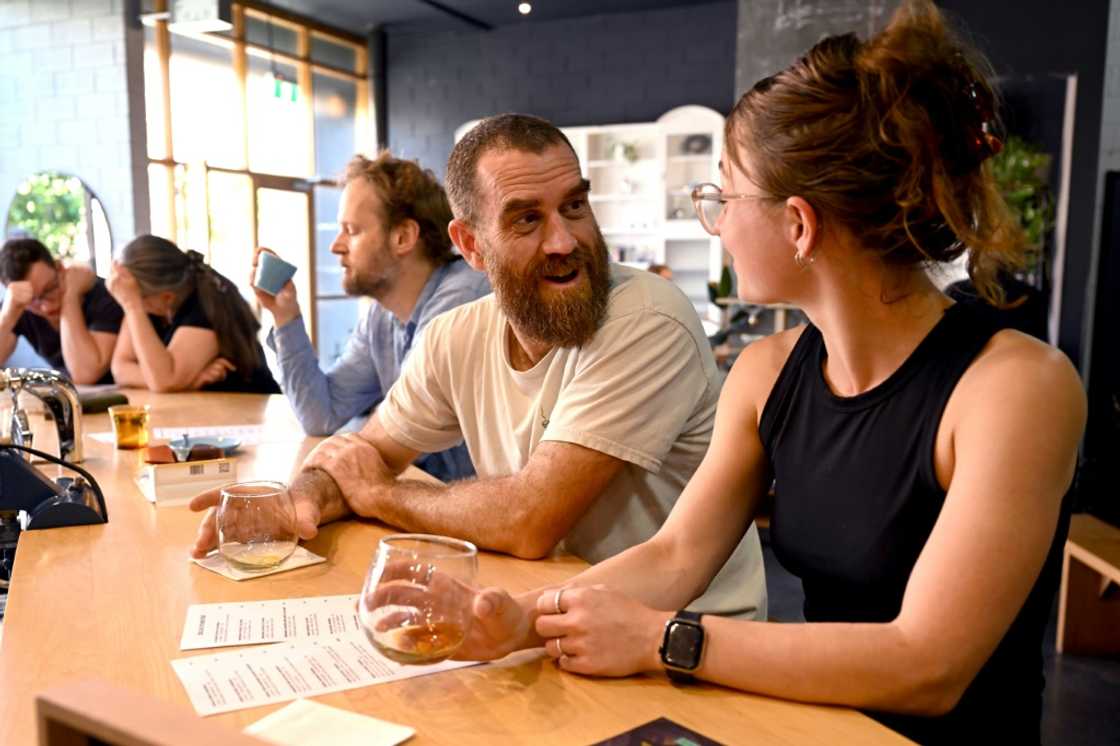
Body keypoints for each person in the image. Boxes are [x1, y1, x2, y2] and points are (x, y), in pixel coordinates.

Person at [443, 3, 1085, 744]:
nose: (713, 220)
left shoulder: (1016, 389)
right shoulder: (766, 371)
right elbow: (675, 554)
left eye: (724, 195)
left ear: (799, 225)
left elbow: (926, 663)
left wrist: (664, 640)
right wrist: (525, 619)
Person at [190, 113, 767, 619]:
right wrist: (301, 500)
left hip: (681, 637)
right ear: (469, 244)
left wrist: (380, 495)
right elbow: (364, 455)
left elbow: (530, 520)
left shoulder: (646, 319)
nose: (564, 240)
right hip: (538, 609)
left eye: (574, 205)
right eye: (526, 219)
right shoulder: (456, 335)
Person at [257, 152, 489, 481]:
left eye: (351, 231)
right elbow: (322, 414)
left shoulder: (463, 299)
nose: (336, 246)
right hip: (425, 498)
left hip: (474, 517)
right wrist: (285, 315)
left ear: (403, 237)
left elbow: (403, 426)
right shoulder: (382, 316)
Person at [108, 235, 280, 394]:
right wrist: (188, 382)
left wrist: (132, 306)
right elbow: (120, 368)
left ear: (167, 297)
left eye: (132, 298)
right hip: (207, 411)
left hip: (251, 412)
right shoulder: (149, 304)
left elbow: (164, 381)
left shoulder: (205, 305)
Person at [0, 238, 122, 384]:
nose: (46, 307)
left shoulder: (103, 295)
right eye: (32, 300)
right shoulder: (18, 306)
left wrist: (71, 296)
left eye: (50, 289)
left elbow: (85, 374)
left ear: (59, 268)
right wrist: (8, 315)